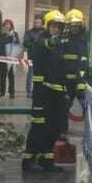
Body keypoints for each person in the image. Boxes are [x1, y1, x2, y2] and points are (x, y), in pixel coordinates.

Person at [23, 10, 66, 173]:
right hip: (42, 93)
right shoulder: (41, 40)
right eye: (54, 26)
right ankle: (28, 162)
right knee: (38, 127)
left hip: (56, 93)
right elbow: (46, 45)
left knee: (53, 128)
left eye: (59, 27)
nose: (56, 29)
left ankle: (46, 161)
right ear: (47, 26)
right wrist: (56, 41)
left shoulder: (61, 44)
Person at [60, 9, 90, 119]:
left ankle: (90, 129)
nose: (74, 28)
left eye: (76, 25)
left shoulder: (86, 38)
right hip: (65, 81)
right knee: (63, 108)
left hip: (80, 80)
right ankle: (62, 131)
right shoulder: (64, 37)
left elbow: (84, 61)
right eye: (71, 25)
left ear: (81, 24)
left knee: (87, 108)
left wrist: (81, 83)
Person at [21, 14, 46, 98]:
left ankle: (41, 91)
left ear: (42, 23)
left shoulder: (45, 32)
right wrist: (35, 43)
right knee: (31, 75)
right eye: (35, 22)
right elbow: (25, 42)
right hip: (32, 56)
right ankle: (29, 92)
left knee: (42, 75)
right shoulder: (29, 32)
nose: (36, 24)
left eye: (38, 22)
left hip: (43, 57)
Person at [0, 19, 20, 98]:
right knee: (2, 76)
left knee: (11, 76)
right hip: (2, 58)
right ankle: (2, 93)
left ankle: (12, 93)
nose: (7, 25)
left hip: (11, 58)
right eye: (6, 24)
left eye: (9, 24)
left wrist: (11, 36)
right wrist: (4, 35)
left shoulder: (14, 34)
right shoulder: (0, 34)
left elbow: (17, 43)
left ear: (11, 26)